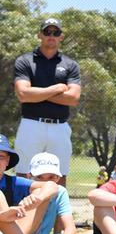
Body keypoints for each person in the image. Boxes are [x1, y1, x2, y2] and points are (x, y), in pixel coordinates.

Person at [13, 17, 81, 184]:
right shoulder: (25, 61)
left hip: (60, 127)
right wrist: (57, 88)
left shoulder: (70, 65)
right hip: (31, 123)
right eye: (47, 32)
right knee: (23, 173)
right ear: (40, 35)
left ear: (61, 37)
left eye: (55, 32)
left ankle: (58, 210)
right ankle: (23, 210)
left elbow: (73, 98)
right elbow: (23, 94)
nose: (51, 35)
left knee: (59, 175)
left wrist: (36, 93)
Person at [0, 137, 58, 234]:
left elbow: (52, 186)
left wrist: (37, 199)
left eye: (1, 157)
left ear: (8, 161)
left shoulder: (12, 182)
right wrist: (3, 216)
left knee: (40, 192)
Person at [19, 152, 91, 234]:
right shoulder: (22, 189)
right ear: (29, 176)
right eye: (39, 177)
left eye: (51, 177)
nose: (46, 183)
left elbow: (70, 229)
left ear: (58, 177)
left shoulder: (60, 191)